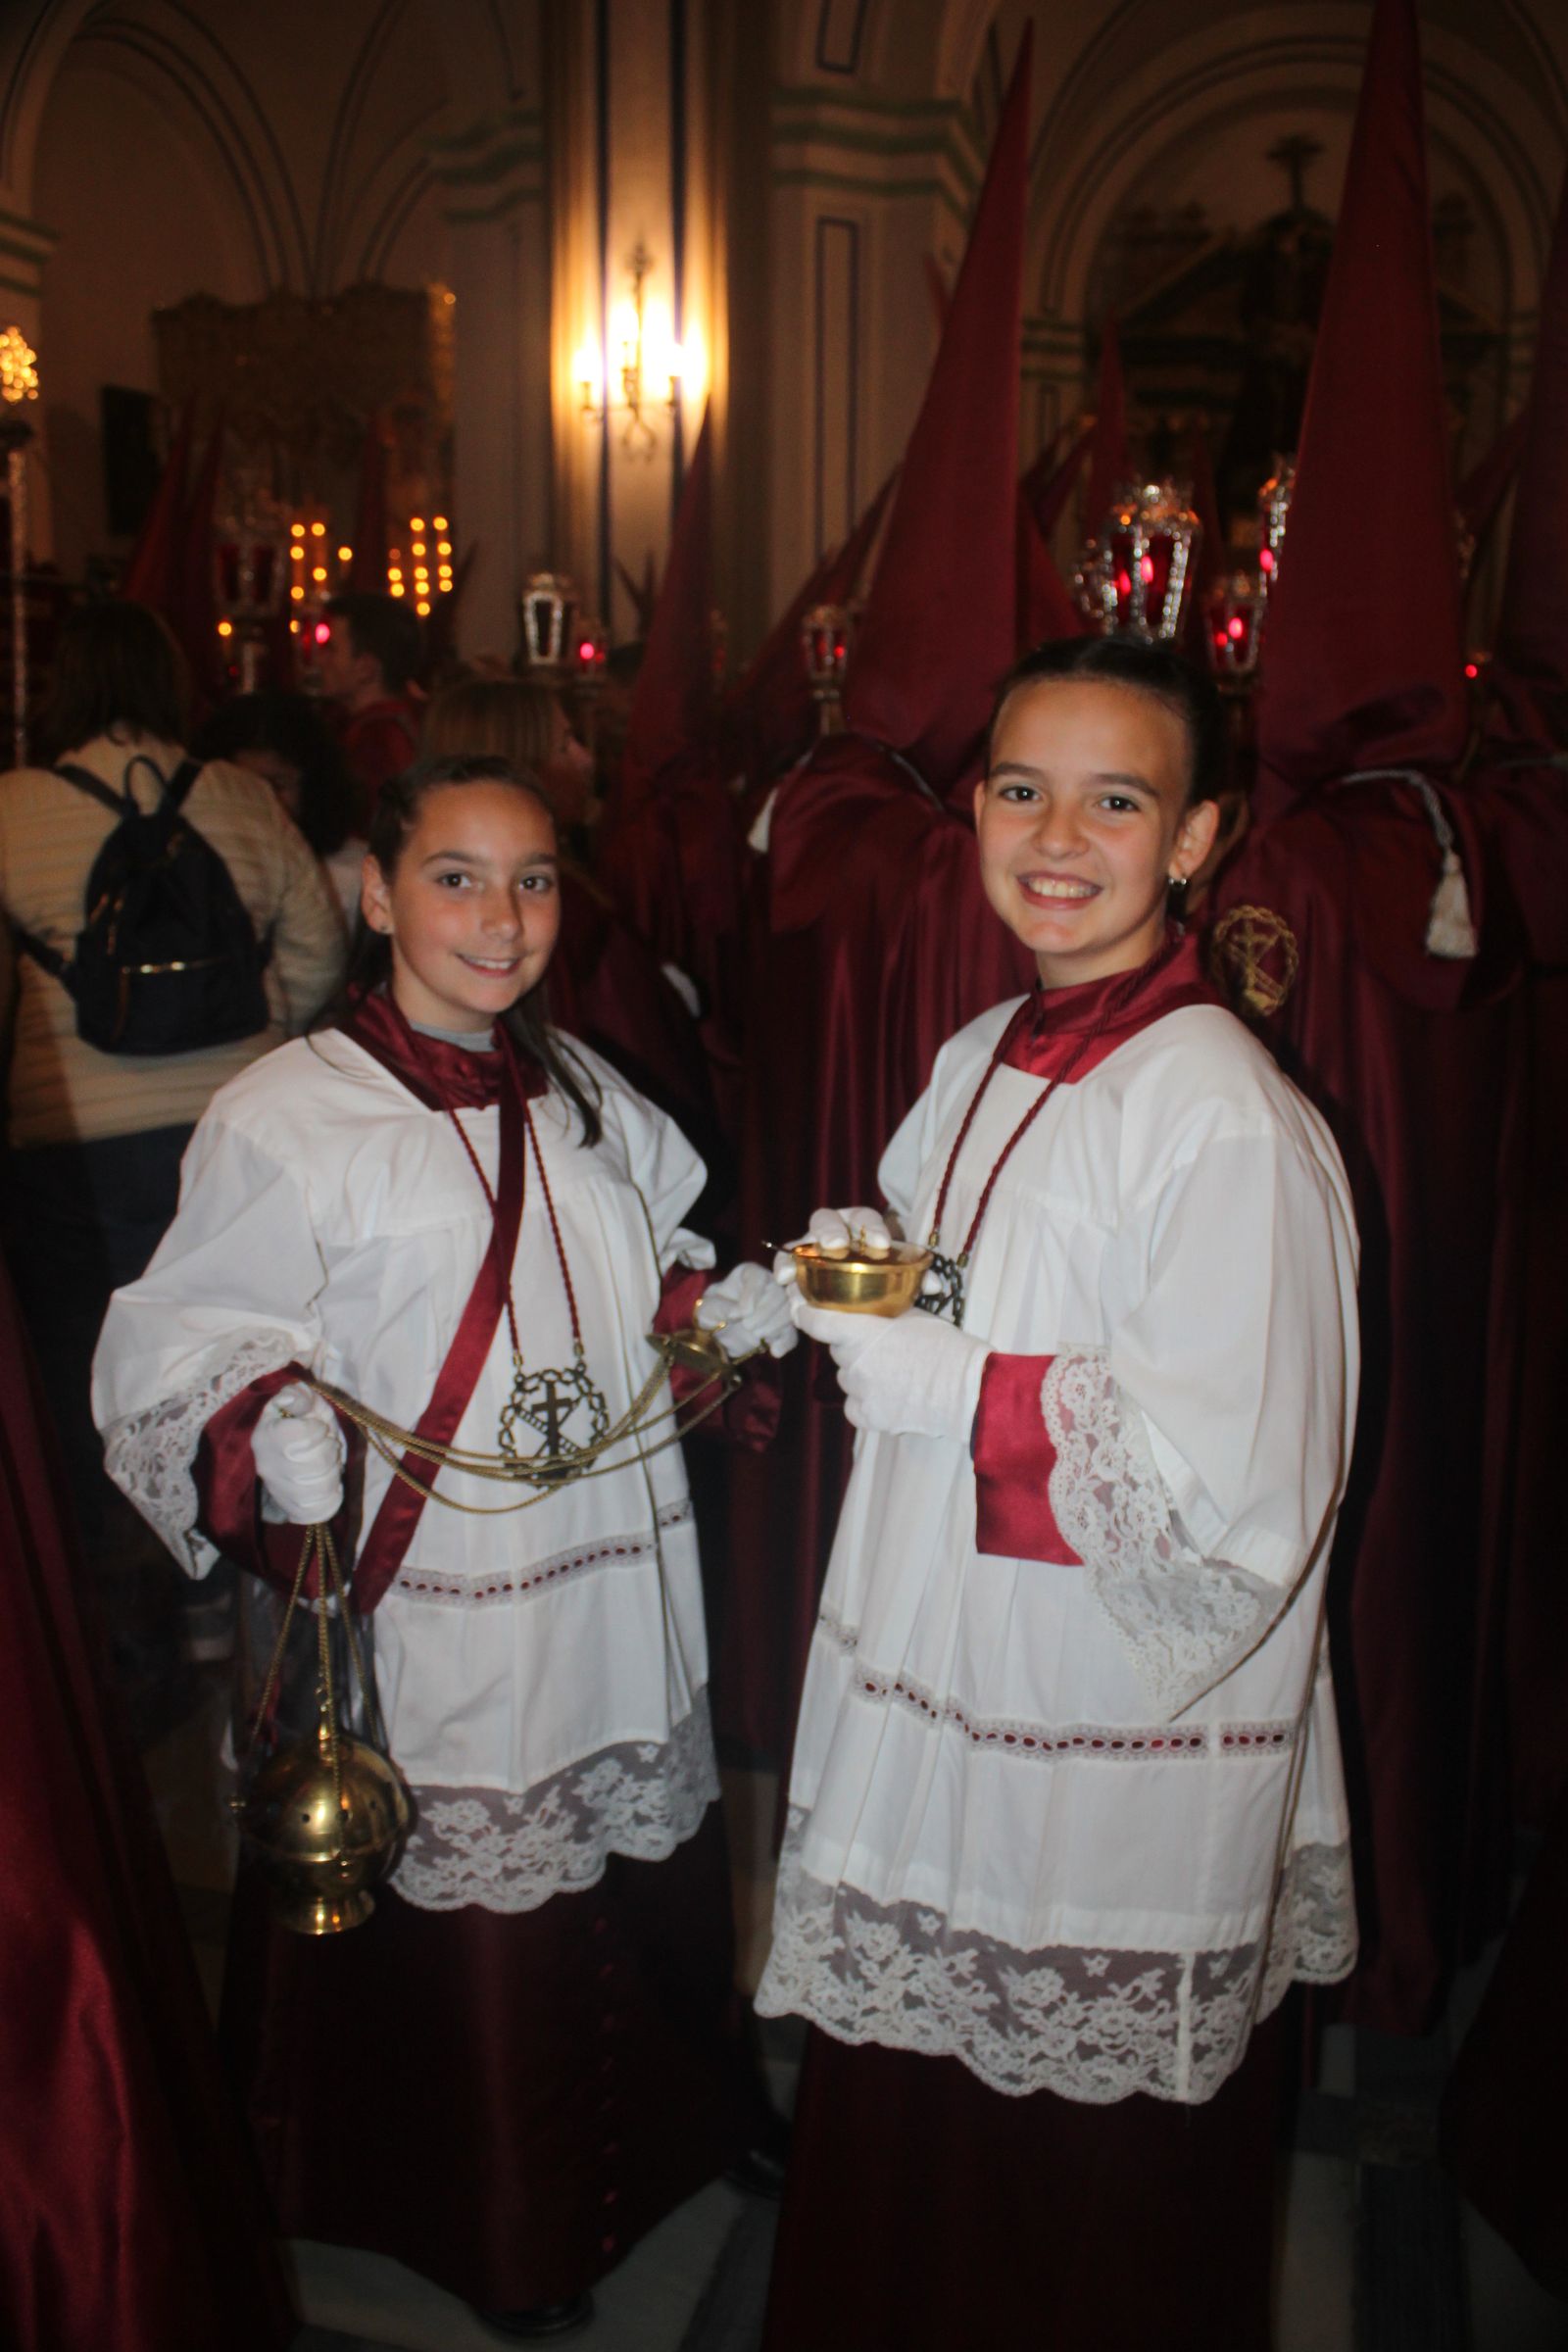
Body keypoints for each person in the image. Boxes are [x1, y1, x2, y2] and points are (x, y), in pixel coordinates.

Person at [91, 753, 795, 2338]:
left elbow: (643, 1293)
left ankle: (686, 2124)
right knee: (477, 1888)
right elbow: (172, 1342)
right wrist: (262, 1417)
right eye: (460, 877)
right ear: (375, 891)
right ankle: (502, 2213)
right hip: (443, 1603)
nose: (501, 917)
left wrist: (716, 1323)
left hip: (613, 1563)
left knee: (640, 1842)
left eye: (535, 879)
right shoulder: (293, 1110)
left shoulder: (594, 1092)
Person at [758, 636, 1361, 2351]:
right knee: (916, 2134)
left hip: (1090, 1721)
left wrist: (944, 1377)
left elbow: (1237, 1483)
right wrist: (888, 1282)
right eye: (1020, 787)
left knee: (1067, 2204)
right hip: (949, 1674)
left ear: (1197, 838)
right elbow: (987, 1294)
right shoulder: (983, 1051)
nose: (1056, 834)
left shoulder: (1220, 1110)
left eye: (1118, 797)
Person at [0, 603, 344, 1699]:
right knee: (230, 1369)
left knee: (84, 1378)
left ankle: (130, 1639)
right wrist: (252, 1029)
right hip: (234, 1133)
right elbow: (322, 946)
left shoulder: (10, 810)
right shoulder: (240, 799)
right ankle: (228, 1607)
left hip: (70, 1148)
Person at [193, 688, 365, 921]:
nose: (265, 801)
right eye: (247, 786)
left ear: (313, 786)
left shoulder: (351, 876)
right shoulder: (200, 872)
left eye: (278, 785)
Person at [317, 590, 423, 825]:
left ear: (366, 667)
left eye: (332, 649)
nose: (320, 660)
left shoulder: (377, 741)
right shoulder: (366, 726)